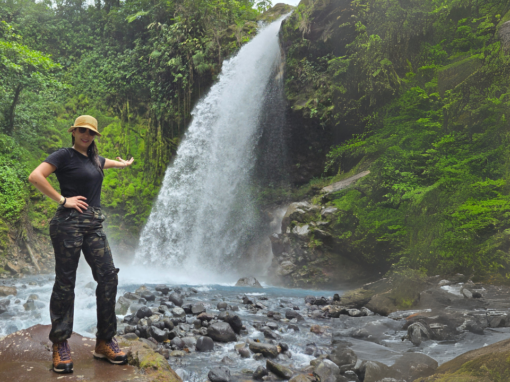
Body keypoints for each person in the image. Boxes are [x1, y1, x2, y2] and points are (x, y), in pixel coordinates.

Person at [28, 115, 134, 374]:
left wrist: (122, 165)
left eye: (91, 132)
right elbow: (35, 176)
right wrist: (63, 199)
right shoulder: (63, 155)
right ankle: (61, 344)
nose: (86, 135)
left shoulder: (94, 159)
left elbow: (103, 163)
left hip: (93, 225)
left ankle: (104, 341)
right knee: (66, 282)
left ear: (95, 136)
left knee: (108, 277)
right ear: (74, 132)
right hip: (68, 224)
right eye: (82, 131)